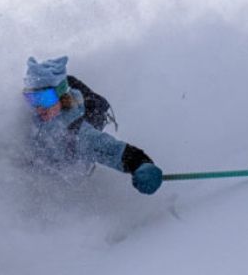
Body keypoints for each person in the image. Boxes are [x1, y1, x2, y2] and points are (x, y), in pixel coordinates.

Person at [22, 56, 163, 195]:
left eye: (46, 98)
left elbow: (115, 151)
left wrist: (141, 165)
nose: (39, 107)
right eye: (32, 98)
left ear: (62, 96)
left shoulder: (79, 134)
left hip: (67, 167)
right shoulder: (27, 114)